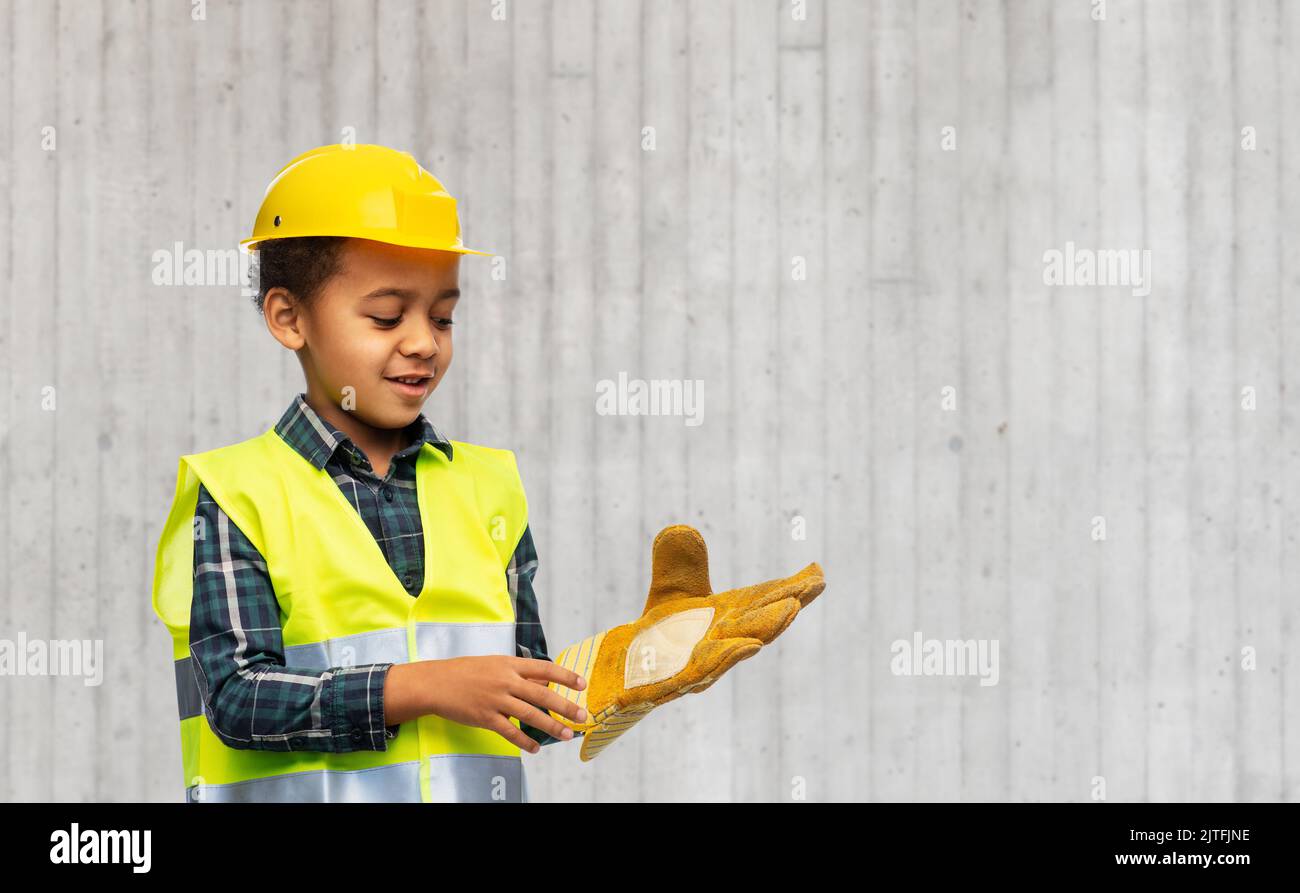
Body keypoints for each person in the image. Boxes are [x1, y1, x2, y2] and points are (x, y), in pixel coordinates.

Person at [151, 144, 586, 803]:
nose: (424, 341)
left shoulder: (488, 487)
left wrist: (639, 664)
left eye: (443, 316)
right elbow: (237, 700)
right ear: (288, 317)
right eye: (387, 316)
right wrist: (425, 686)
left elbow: (523, 700)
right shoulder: (238, 495)